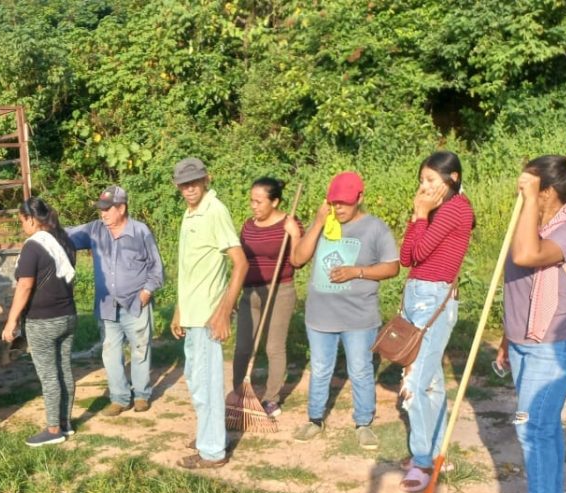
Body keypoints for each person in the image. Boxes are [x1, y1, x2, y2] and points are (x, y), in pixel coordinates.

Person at [495, 151, 566, 493]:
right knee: (546, 427)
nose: (521, 193)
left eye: (530, 187)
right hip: (525, 343)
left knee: (531, 428)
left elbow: (527, 256)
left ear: (549, 191)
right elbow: (517, 283)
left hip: (554, 347)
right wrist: (507, 336)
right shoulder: (537, 222)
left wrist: (530, 198)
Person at [291, 172, 400, 448]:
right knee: (320, 368)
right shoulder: (324, 224)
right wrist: (317, 222)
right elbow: (297, 259)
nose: (339, 208)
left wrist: (357, 272)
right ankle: (315, 419)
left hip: (358, 317)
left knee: (361, 370)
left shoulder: (376, 228)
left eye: (345, 203)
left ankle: (363, 423)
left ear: (360, 199)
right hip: (319, 316)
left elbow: (392, 267)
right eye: (334, 202)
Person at [397, 152, 475, 492]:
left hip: (434, 299)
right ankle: (438, 451)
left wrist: (419, 214)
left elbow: (421, 251)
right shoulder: (434, 212)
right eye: (422, 180)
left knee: (413, 385)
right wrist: (420, 217)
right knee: (431, 383)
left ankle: (422, 461)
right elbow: (405, 257)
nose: (424, 186)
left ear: (453, 178)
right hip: (415, 294)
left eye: (431, 180)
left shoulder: (458, 208)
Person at [169, 157, 248, 469]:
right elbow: (189, 269)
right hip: (192, 313)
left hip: (207, 315)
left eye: (194, 182)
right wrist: (178, 310)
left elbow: (241, 263)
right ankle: (209, 433)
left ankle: (213, 450)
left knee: (208, 383)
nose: (189, 188)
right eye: (184, 184)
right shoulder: (190, 214)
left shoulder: (215, 210)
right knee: (196, 380)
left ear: (206, 179)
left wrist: (224, 312)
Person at [66, 185, 164, 416]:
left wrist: (146, 293)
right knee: (110, 353)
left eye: (108, 209)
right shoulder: (95, 230)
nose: (103, 214)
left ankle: (141, 395)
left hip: (135, 304)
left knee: (140, 350)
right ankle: (119, 398)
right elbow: (66, 235)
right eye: (101, 209)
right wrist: (45, 228)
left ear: (122, 208)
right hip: (107, 305)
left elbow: (156, 269)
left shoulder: (140, 232)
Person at [2, 197, 78, 447]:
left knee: (49, 376)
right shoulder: (64, 240)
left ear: (32, 219)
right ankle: (66, 423)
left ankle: (54, 428)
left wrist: (11, 321)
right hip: (68, 315)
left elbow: (25, 285)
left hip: (42, 321)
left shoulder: (33, 247)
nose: (23, 226)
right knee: (64, 369)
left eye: (22, 220)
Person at [230, 177, 305, 418]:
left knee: (273, 347)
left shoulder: (290, 224)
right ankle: (239, 394)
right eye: (252, 201)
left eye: (259, 202)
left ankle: (271, 399)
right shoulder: (248, 226)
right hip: (250, 292)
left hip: (279, 291)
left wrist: (294, 235)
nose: (254, 206)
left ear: (275, 201)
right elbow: (240, 261)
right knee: (242, 348)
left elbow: (297, 261)